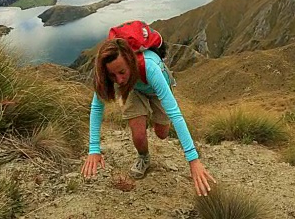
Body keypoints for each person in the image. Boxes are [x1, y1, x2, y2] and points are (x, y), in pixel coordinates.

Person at [81, 37, 216, 196]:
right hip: (134, 90)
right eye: (112, 75)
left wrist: (193, 160)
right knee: (138, 135)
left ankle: (152, 115)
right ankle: (144, 157)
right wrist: (94, 149)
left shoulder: (151, 68)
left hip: (156, 91)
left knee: (162, 133)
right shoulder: (114, 77)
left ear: (131, 62)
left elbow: (175, 113)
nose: (119, 80)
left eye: (122, 72)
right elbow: (97, 106)